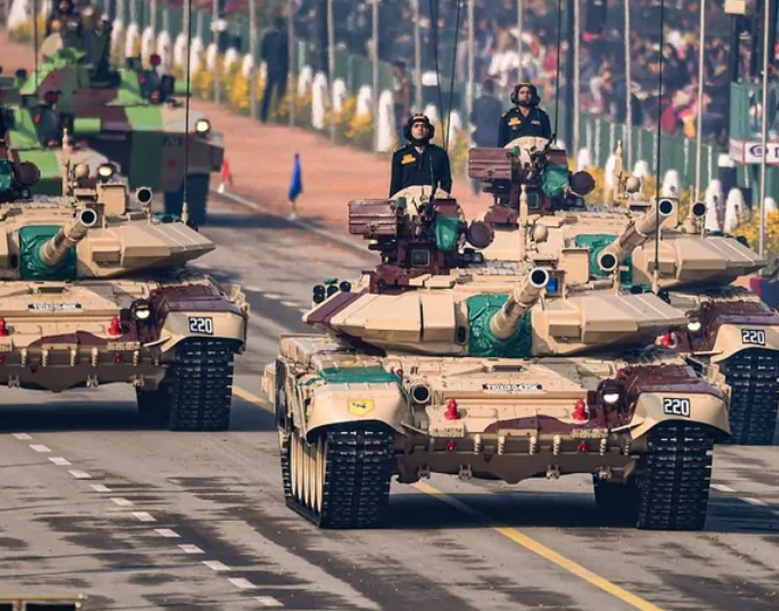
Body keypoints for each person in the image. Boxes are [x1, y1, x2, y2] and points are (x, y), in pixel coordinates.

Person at [389, 114, 452, 198]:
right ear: (410, 130)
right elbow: (395, 184)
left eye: (424, 126)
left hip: (432, 199)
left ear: (429, 130)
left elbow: (446, 182)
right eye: (416, 126)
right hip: (407, 199)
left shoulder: (439, 154)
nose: (420, 128)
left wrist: (442, 199)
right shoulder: (400, 155)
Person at [469, 78, 503, 194]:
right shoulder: (497, 103)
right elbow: (500, 121)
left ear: (483, 89)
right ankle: (493, 182)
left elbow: (472, 119)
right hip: (494, 138)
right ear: (493, 89)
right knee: (494, 161)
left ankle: (476, 182)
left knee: (479, 159)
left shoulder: (477, 102)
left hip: (481, 136)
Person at [260, 17, 290, 123]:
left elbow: (263, 52)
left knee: (268, 91)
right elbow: (288, 53)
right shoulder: (285, 36)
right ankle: (278, 114)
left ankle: (263, 115)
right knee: (280, 92)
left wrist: (267, 60)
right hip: (282, 67)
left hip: (271, 67)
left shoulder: (267, 35)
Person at [392, 60, 412, 140]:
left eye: (395, 68)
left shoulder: (405, 81)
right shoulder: (397, 81)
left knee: (402, 130)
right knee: (397, 129)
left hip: (402, 108)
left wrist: (405, 114)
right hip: (396, 107)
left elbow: (407, 98)